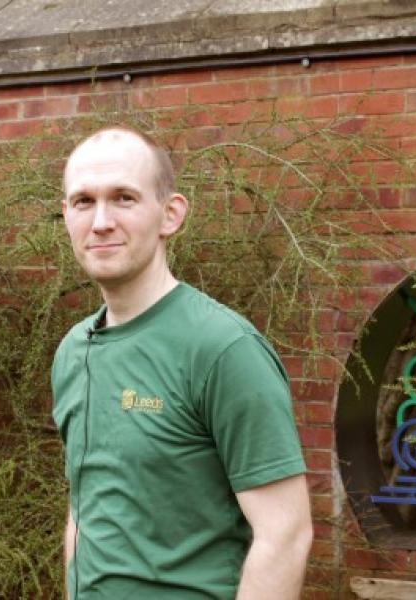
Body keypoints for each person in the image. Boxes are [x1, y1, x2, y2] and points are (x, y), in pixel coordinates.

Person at [51, 125, 313, 600]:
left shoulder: (222, 349)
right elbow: (83, 508)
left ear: (170, 214)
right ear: (66, 214)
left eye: (124, 198)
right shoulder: (74, 350)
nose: (101, 221)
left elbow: (285, 534)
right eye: (84, 201)